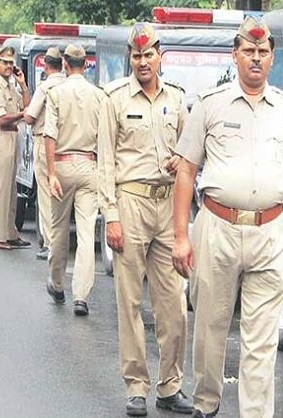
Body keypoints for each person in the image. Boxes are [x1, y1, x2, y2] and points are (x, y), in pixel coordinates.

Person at [171, 16, 283, 418]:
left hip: (272, 232)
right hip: (216, 228)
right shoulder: (210, 105)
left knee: (261, 340)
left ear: (272, 59)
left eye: (263, 52)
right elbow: (185, 169)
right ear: (235, 55)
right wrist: (181, 236)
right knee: (210, 329)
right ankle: (206, 402)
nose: (256, 58)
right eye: (248, 51)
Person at [98, 22, 193, 417]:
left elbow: (191, 156)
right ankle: (136, 386)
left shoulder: (178, 98)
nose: (142, 61)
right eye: (136, 56)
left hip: (168, 204)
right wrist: (111, 217)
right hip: (131, 203)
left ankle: (170, 386)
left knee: (173, 303)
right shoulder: (114, 98)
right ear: (131, 59)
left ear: (160, 57)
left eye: (149, 54)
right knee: (130, 302)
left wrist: (181, 160)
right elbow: (105, 161)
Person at [42, 44, 105, 317]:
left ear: (65, 64)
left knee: (58, 229)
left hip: (63, 165)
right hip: (90, 165)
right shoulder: (100, 96)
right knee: (86, 233)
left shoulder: (55, 93)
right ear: (87, 64)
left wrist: (51, 173)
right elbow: (105, 138)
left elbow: (49, 135)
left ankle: (57, 283)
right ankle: (82, 296)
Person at [0, 46, 31, 250]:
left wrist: (23, 85)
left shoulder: (11, 85)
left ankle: (10, 232)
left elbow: (26, 106)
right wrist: (23, 115)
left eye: (11, 63)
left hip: (13, 135)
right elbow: (2, 118)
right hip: (2, 135)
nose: (8, 66)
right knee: (2, 189)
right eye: (5, 62)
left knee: (11, 189)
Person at [23, 47, 65, 260]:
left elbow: (30, 117)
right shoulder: (69, 86)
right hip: (67, 146)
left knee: (47, 195)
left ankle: (50, 244)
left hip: (44, 141)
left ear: (46, 66)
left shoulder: (45, 87)